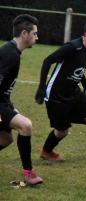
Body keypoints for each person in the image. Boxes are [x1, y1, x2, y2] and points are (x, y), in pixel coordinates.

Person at [34, 20, 86, 161]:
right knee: (62, 132)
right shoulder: (72, 47)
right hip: (57, 94)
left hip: (74, 91)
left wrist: (85, 84)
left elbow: (78, 66)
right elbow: (47, 61)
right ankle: (46, 152)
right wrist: (42, 87)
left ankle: (65, 117)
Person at [0, 14, 43, 185]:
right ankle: (29, 173)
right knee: (25, 125)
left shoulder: (13, 52)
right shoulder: (10, 54)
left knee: (6, 139)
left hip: (3, 102)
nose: (37, 38)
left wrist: (9, 106)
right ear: (24, 33)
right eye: (35, 34)